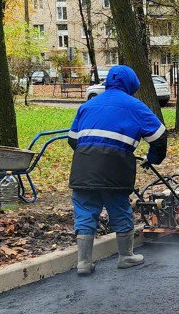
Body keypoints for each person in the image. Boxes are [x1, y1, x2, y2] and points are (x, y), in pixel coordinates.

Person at [68, 65, 167, 274]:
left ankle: (84, 262)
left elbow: (72, 140)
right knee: (119, 208)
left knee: (85, 211)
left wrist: (90, 153)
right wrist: (153, 158)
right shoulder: (135, 106)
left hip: (83, 167)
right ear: (131, 83)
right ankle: (126, 256)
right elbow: (159, 136)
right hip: (115, 168)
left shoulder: (88, 105)